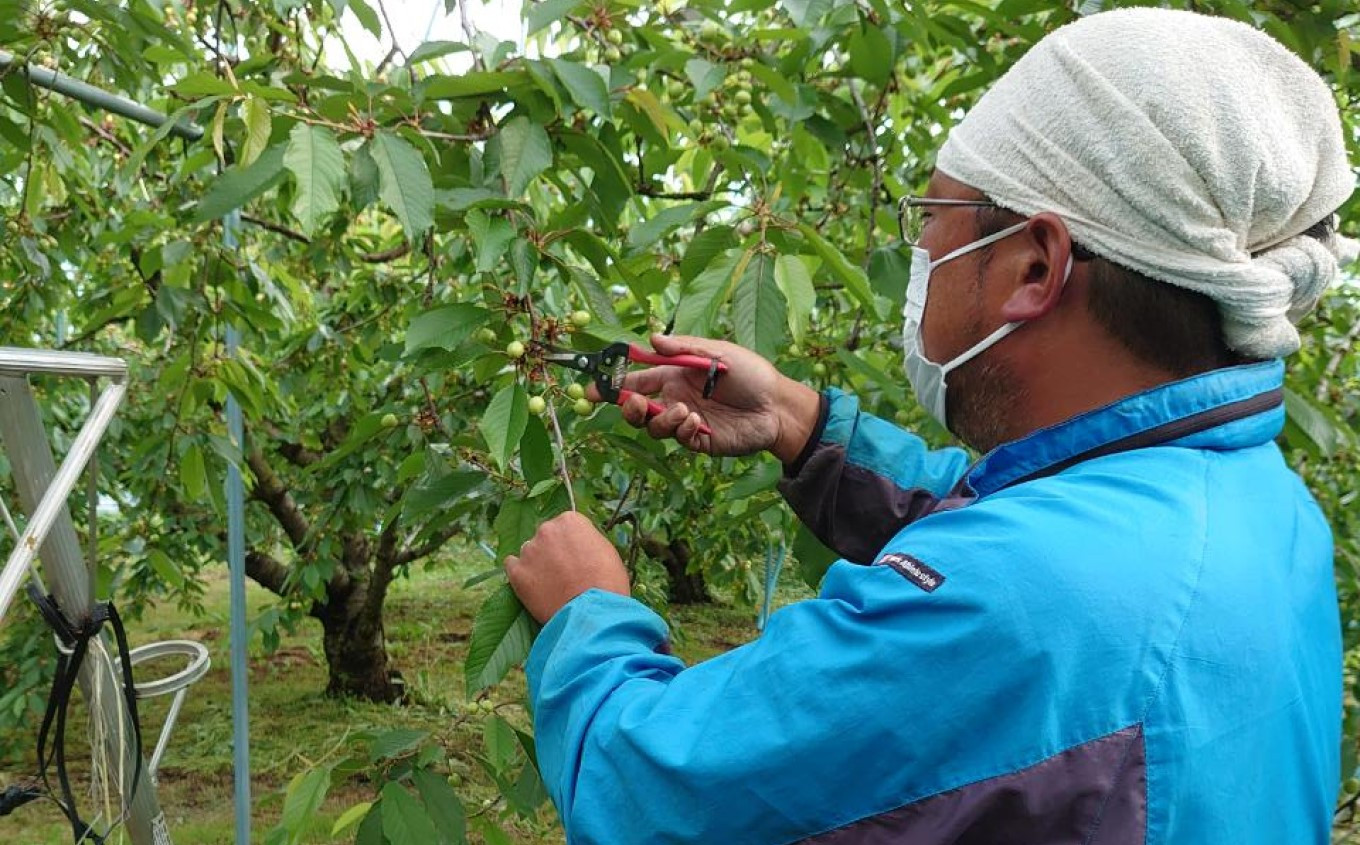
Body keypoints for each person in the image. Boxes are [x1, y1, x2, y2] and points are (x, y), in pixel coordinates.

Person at [504, 8, 1358, 843]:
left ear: (1034, 265)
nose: (920, 253)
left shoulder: (1012, 607)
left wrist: (589, 613)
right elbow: (1018, 516)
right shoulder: (1266, 508)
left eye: (930, 219)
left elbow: (648, 792)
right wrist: (800, 421)